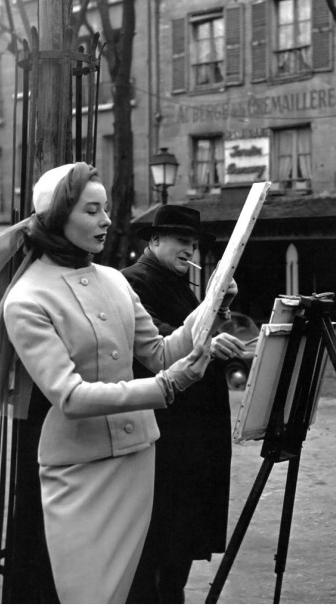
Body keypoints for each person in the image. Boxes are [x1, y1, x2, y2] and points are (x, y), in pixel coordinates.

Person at [0, 162, 238, 604]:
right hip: (78, 470)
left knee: (138, 588)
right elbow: (68, 396)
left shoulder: (114, 281)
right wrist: (167, 387)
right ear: (58, 217)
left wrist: (213, 305)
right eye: (92, 210)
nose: (106, 219)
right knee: (86, 592)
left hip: (139, 460)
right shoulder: (28, 298)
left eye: (105, 208)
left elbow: (161, 351)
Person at [122, 205, 247, 603]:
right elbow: (158, 341)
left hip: (188, 431)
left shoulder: (173, 280)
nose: (189, 251)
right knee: (163, 533)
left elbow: (196, 330)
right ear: (154, 241)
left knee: (181, 531)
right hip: (169, 431)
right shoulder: (136, 281)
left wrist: (220, 309)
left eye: (192, 244)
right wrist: (208, 339)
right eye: (181, 241)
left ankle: (170, 595)